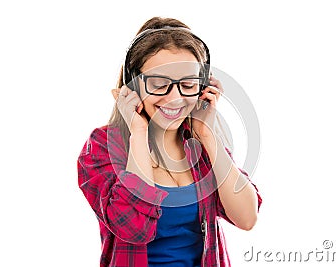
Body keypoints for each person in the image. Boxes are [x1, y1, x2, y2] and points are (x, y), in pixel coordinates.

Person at [77, 17, 262, 267]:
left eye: (188, 84)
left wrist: (207, 133)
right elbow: (133, 228)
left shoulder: (200, 145)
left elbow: (246, 218)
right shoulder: (101, 147)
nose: (175, 98)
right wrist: (138, 132)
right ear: (133, 85)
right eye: (159, 84)